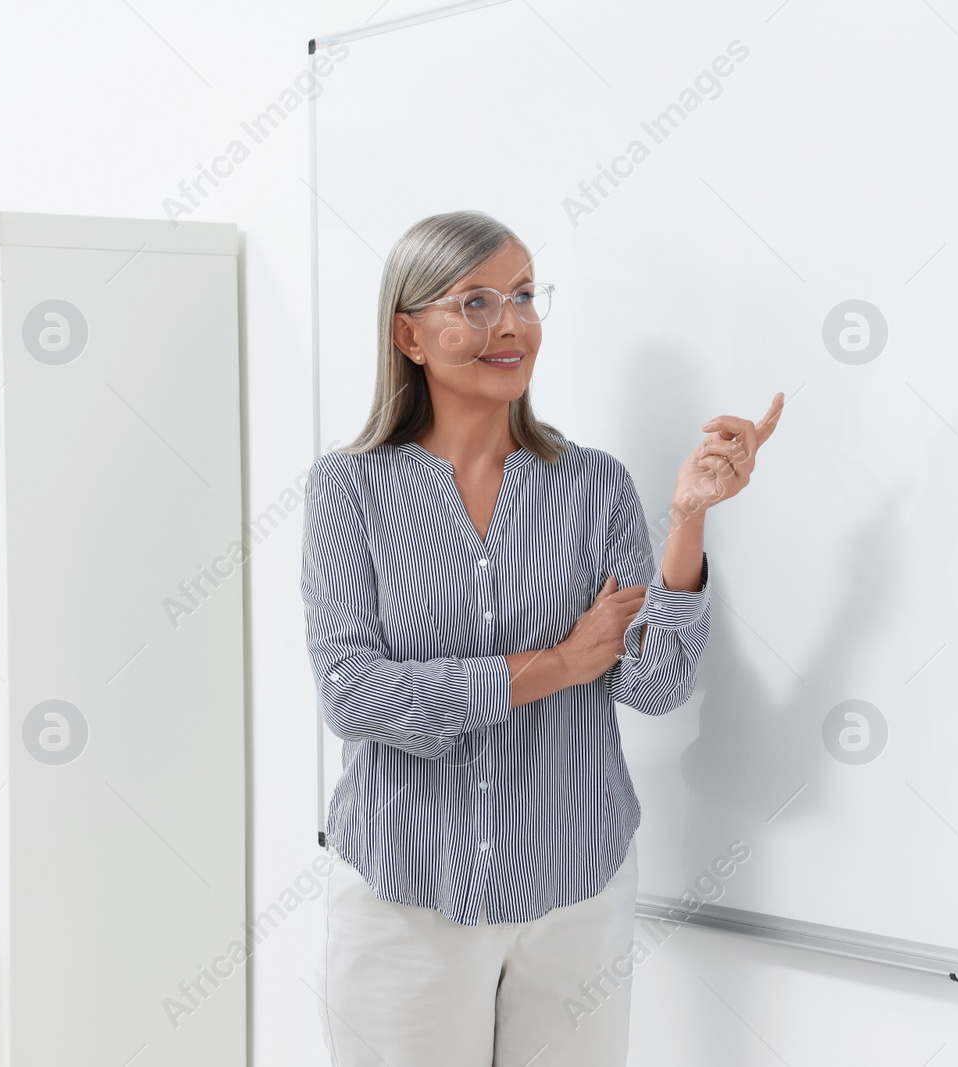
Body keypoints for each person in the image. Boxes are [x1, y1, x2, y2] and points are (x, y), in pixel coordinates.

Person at [303, 208, 783, 1066]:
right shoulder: (350, 489)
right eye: (476, 301)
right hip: (408, 894)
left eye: (524, 295)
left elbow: (653, 685)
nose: (512, 323)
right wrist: (558, 663)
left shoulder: (595, 484)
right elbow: (353, 693)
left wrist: (685, 522)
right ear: (409, 333)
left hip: (576, 891)